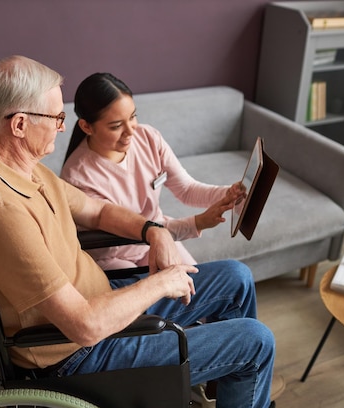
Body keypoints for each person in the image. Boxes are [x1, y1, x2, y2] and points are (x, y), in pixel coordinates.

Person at [0, 55, 276, 408]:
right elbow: (86, 326)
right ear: (19, 125)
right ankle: (242, 385)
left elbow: (97, 210)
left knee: (236, 276)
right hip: (80, 354)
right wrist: (159, 284)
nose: (63, 128)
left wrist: (153, 231)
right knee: (256, 342)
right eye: (57, 117)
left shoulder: (30, 172)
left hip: (106, 306)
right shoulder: (1, 213)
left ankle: (231, 387)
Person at [61, 72, 243, 270]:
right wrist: (197, 223)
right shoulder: (77, 178)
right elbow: (133, 232)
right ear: (87, 126)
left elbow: (186, 189)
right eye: (116, 126)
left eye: (132, 117)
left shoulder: (148, 137)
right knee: (162, 297)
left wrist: (229, 195)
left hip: (153, 238)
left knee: (197, 286)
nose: (131, 131)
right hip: (112, 254)